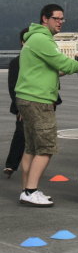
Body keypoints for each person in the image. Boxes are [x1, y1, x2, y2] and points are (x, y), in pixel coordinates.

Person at [16, 4, 78, 206]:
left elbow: (54, 69)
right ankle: (30, 192)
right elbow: (65, 65)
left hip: (27, 98)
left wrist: (70, 65)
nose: (61, 22)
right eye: (57, 18)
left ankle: (26, 189)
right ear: (45, 19)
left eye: (63, 19)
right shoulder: (42, 40)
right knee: (46, 148)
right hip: (39, 100)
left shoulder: (34, 39)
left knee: (31, 148)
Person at [4, 28, 28, 179]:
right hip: (22, 104)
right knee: (21, 133)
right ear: (22, 42)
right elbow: (12, 87)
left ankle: (27, 165)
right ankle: (11, 165)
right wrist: (20, 107)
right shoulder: (16, 62)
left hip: (41, 103)